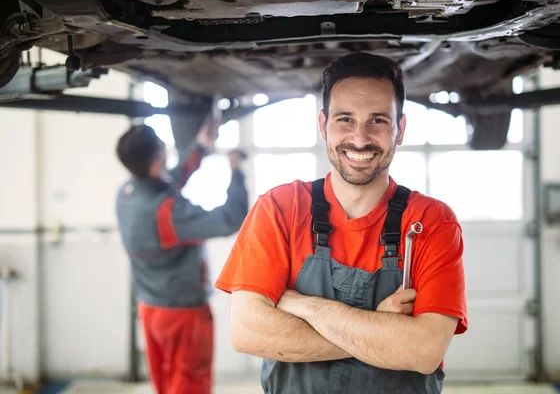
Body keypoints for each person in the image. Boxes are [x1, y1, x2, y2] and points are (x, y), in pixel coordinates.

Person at [215, 52, 468, 393]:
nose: (360, 139)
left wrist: (306, 306)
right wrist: (380, 330)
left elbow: (423, 351)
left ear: (401, 129)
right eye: (345, 119)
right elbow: (248, 332)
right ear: (323, 125)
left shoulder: (431, 221)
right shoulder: (280, 208)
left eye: (378, 120)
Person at [115, 111, 248, 394]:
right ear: (156, 161)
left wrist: (201, 144)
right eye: (163, 148)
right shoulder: (168, 213)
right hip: (183, 315)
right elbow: (230, 219)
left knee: (166, 384)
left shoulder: (127, 193)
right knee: (189, 384)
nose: (166, 151)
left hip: (150, 308)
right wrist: (236, 171)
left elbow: (169, 179)